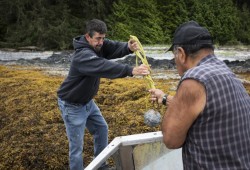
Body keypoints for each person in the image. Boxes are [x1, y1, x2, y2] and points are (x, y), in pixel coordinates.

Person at [149, 21, 250, 169]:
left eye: (174, 56)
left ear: (181, 54)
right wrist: (164, 97)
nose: (175, 61)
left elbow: (171, 140)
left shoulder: (193, 79)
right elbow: (203, 109)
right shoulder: (226, 72)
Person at [57, 19, 149, 170]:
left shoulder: (98, 46)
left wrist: (128, 47)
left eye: (103, 38)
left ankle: (100, 165)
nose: (101, 42)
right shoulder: (83, 56)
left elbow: (112, 47)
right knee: (76, 148)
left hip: (87, 102)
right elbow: (103, 67)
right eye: (98, 38)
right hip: (72, 105)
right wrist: (130, 70)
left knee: (101, 129)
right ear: (88, 37)